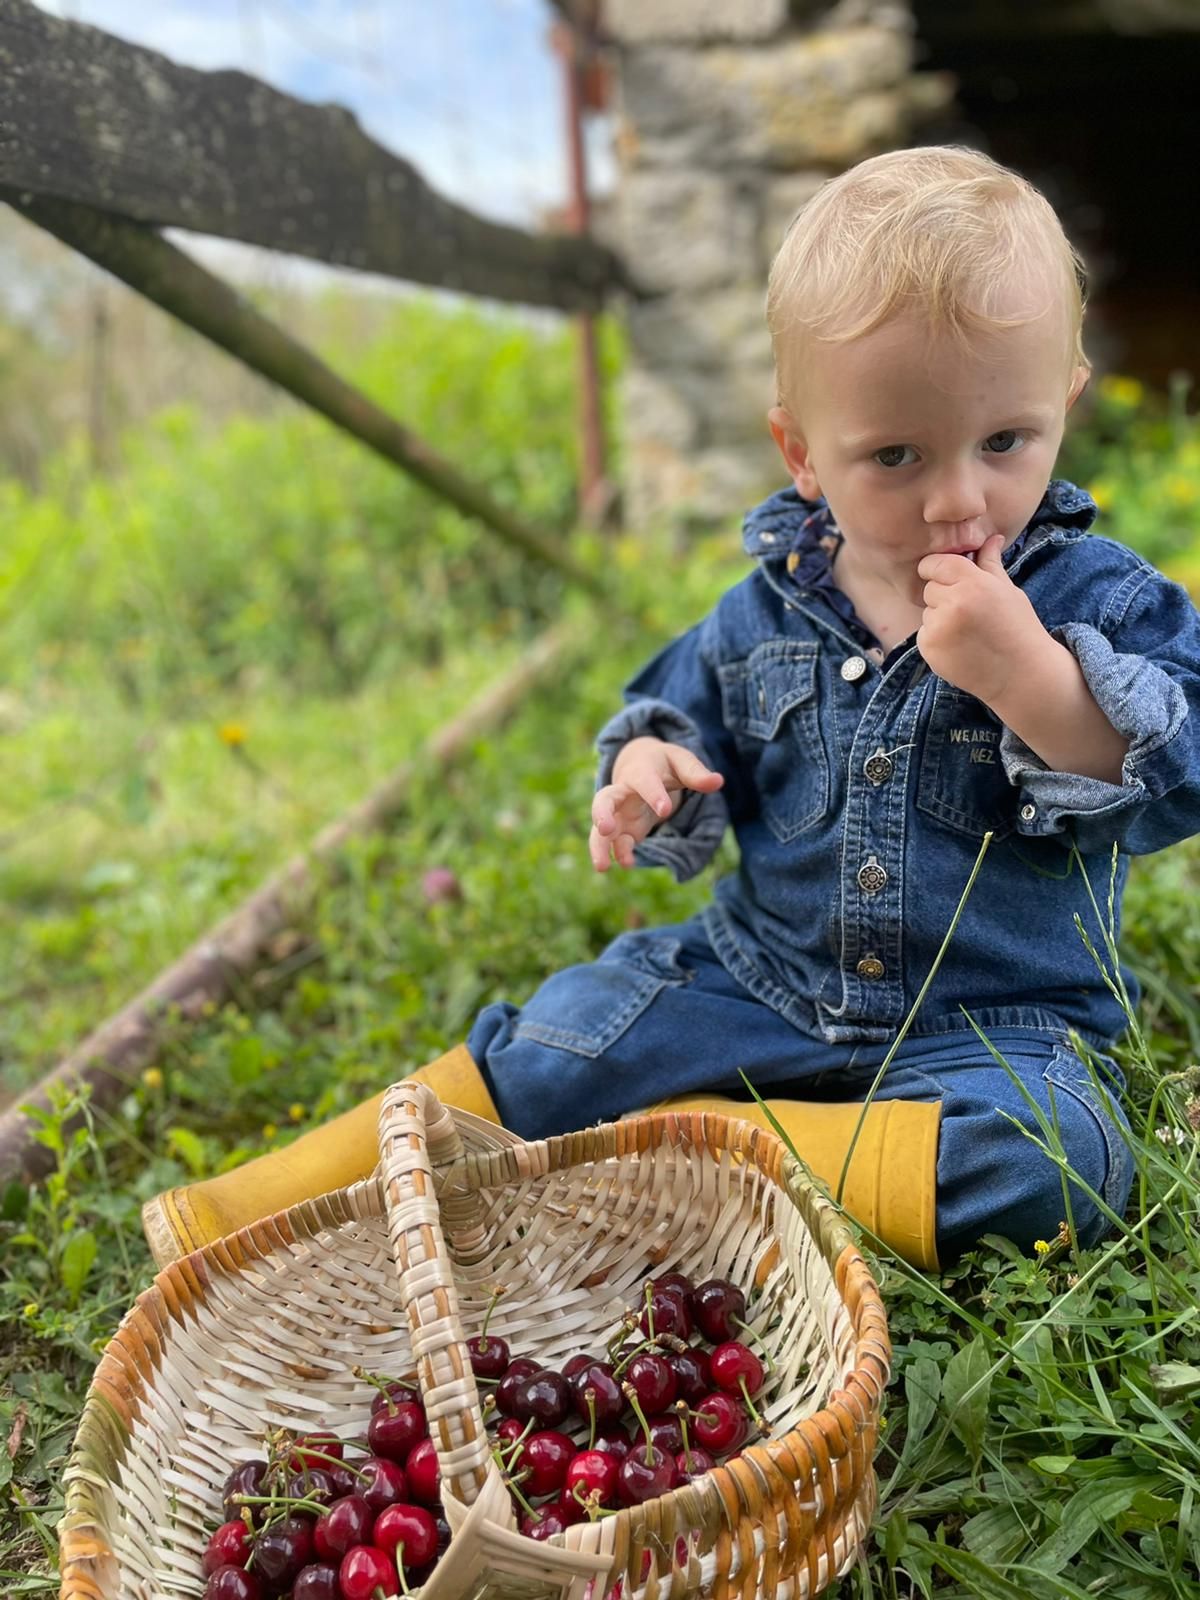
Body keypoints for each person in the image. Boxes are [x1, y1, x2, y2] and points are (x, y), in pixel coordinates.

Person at [144, 146, 1200, 1274]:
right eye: (894, 455)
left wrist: (1029, 679)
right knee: (564, 1037)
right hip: (758, 985)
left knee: (1067, 1158)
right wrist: (651, 767)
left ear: (1064, 403)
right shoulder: (763, 610)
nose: (957, 497)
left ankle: (724, 1145)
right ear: (801, 452)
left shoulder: (1094, 600)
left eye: (1006, 442)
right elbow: (682, 721)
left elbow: (1177, 769)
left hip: (996, 1021)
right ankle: (257, 1216)